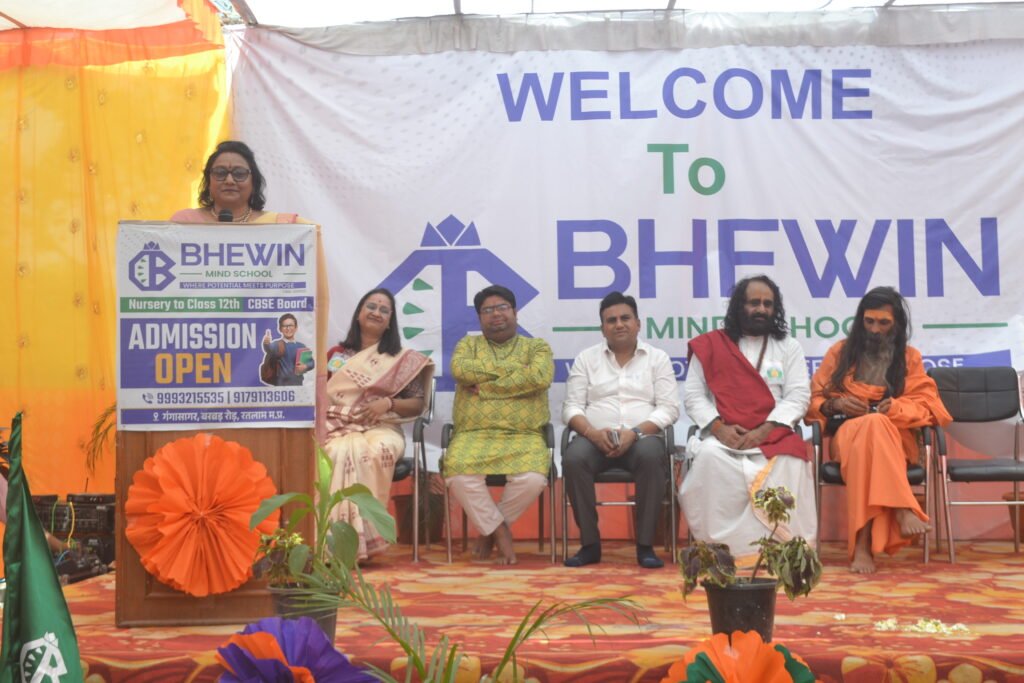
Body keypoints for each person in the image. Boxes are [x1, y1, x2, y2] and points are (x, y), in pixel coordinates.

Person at [807, 286, 951, 574]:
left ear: (897, 324)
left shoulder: (909, 357)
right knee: (870, 428)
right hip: (846, 436)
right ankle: (901, 508)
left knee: (874, 427)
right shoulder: (840, 353)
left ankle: (862, 546)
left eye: (883, 323)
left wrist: (895, 408)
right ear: (860, 320)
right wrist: (837, 405)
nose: (874, 330)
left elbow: (927, 404)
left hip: (896, 441)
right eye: (869, 321)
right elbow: (813, 400)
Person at [679, 275, 815, 565]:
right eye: (754, 303)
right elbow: (693, 395)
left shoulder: (788, 346)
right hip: (725, 436)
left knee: (792, 461)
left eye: (768, 304)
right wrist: (718, 428)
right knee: (709, 458)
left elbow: (798, 395)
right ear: (739, 306)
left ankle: (782, 547)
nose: (761, 309)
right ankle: (721, 549)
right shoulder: (712, 345)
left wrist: (765, 429)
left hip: (772, 435)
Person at [561, 292, 680, 569]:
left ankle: (645, 546)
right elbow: (571, 407)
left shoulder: (657, 358)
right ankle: (590, 545)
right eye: (611, 320)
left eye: (625, 318)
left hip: (642, 437)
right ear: (602, 328)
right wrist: (592, 433)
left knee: (651, 456)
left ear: (638, 323)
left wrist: (635, 432)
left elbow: (669, 408)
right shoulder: (586, 359)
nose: (619, 324)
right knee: (574, 458)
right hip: (595, 438)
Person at [321, 288, 434, 561]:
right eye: (371, 306)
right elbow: (321, 395)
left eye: (384, 310)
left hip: (383, 427)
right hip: (338, 424)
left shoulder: (401, 359)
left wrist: (388, 403)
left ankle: (366, 539)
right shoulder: (337, 354)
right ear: (359, 313)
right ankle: (333, 541)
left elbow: (417, 403)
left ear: (390, 321)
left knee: (375, 451)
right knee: (335, 452)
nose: (377, 312)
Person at [445, 285, 554, 565]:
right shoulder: (468, 345)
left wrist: (487, 386)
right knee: (458, 472)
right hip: (473, 434)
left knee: (533, 479)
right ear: (480, 317)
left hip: (524, 435)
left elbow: (540, 377)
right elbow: (460, 370)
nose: (496, 314)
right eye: (488, 310)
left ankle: (489, 530)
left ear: (515, 312)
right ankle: (498, 529)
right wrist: (518, 375)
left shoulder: (536, 347)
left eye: (502, 307)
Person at [170, 140, 301, 225]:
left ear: (253, 182)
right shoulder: (185, 222)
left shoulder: (278, 225)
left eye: (239, 174)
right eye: (220, 173)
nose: (229, 181)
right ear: (208, 182)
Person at [261, 313, 314, 386]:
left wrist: (305, 366)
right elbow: (269, 349)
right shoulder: (277, 345)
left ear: (296, 328)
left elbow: (311, 363)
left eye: (291, 325)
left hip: (298, 385)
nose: (288, 328)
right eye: (285, 326)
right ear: (280, 329)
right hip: (281, 386)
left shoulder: (301, 346)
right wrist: (266, 343)